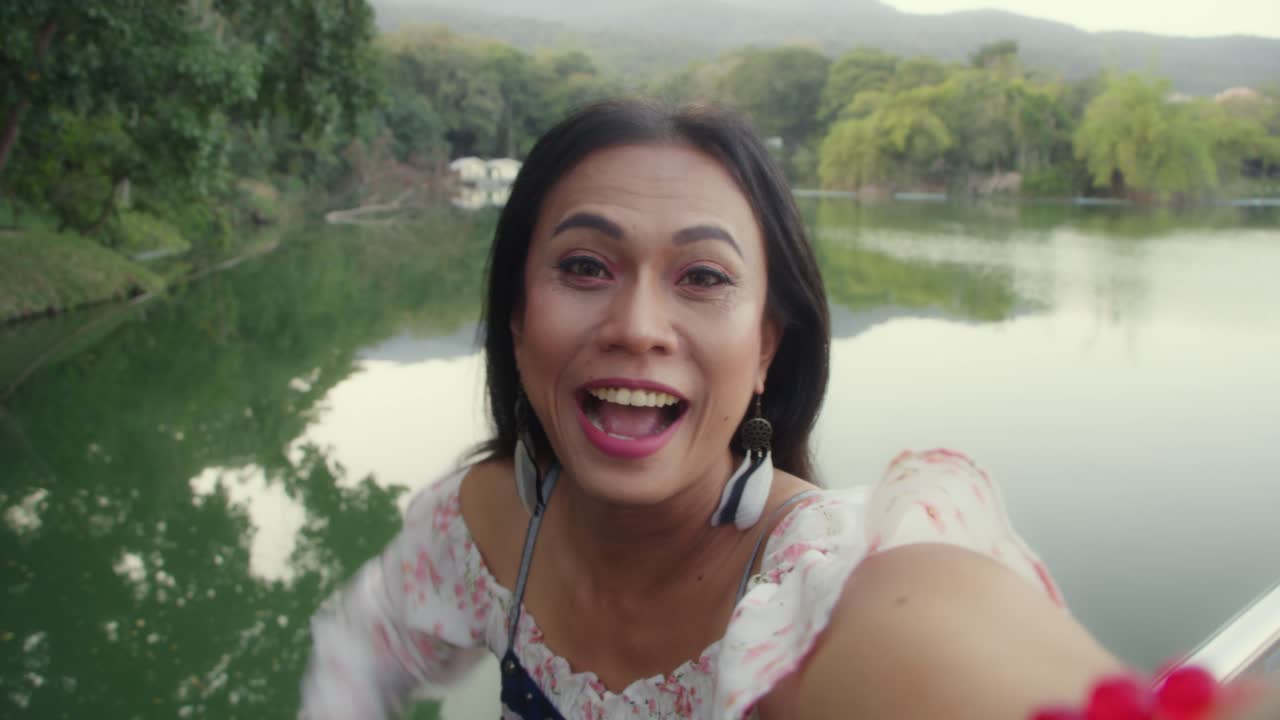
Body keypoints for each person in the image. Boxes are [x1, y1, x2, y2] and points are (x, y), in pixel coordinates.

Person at [298, 98, 1123, 719]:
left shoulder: (817, 577)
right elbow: (357, 645)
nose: (637, 328)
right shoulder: (482, 529)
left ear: (766, 345)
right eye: (585, 267)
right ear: (517, 321)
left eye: (703, 277)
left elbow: (935, 632)